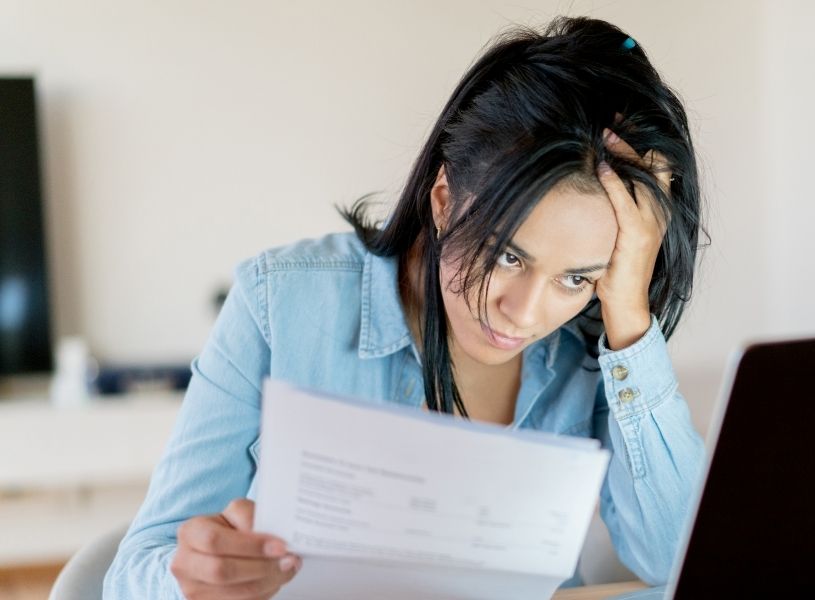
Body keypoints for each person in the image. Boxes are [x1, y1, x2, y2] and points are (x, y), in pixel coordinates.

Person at [104, 16, 706, 599]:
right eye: (506, 256)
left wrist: (629, 317)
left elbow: (678, 561)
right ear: (443, 199)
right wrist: (193, 582)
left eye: (576, 277)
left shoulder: (596, 342)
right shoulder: (281, 303)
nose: (525, 314)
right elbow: (132, 577)